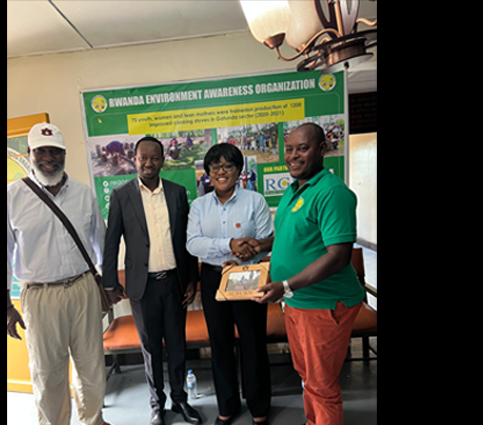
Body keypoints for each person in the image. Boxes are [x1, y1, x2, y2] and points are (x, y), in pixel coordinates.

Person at [251, 123, 365, 425]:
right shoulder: (294, 190)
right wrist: (261, 246)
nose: (294, 155)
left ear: (322, 149)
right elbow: (292, 235)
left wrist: (286, 284)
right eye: (289, 149)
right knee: (307, 376)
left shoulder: (333, 193)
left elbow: (338, 257)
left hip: (324, 303)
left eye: (303, 148)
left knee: (321, 384)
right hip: (297, 301)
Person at [7, 123, 121, 425]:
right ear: (29, 153)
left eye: (55, 151)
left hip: (83, 288)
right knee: (47, 373)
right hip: (40, 296)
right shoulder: (12, 197)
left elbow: (102, 243)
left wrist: (108, 284)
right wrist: (7, 305)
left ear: (64, 154)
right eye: (41, 151)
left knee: (92, 366)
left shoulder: (83, 194)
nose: (49, 157)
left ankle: (93, 420)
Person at [103, 137, 204, 425]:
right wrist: (110, 283)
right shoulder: (122, 195)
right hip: (142, 287)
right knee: (150, 348)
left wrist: (191, 279)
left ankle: (180, 401)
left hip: (174, 283)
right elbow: (112, 243)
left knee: (176, 344)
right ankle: (156, 404)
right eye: (142, 158)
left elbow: (187, 240)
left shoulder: (176, 193)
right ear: (133, 159)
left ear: (163, 160)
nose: (148, 163)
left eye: (154, 158)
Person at [186, 143, 274, 425]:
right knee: (220, 343)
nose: (221, 172)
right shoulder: (199, 206)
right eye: (215, 167)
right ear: (208, 173)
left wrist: (244, 255)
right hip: (213, 278)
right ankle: (227, 405)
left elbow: (265, 239)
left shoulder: (255, 201)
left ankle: (259, 407)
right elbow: (193, 244)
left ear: (239, 171)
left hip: (248, 276)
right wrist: (230, 245)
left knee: (253, 342)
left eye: (228, 166)